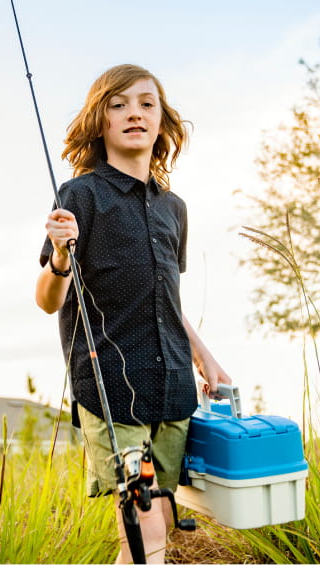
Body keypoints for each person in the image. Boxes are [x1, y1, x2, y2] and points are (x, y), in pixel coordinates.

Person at [36, 63, 230, 564]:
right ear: (99, 122)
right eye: (118, 105)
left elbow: (167, 301)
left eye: (147, 103)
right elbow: (48, 299)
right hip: (110, 385)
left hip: (172, 388)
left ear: (163, 121)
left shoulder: (174, 209)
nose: (134, 114)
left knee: (160, 518)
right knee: (141, 519)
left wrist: (204, 358)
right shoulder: (79, 195)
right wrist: (60, 257)